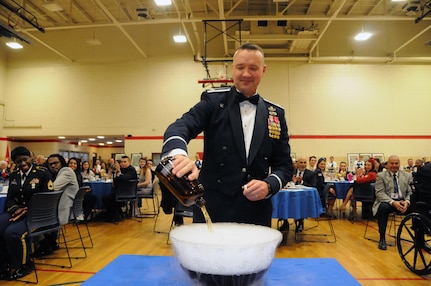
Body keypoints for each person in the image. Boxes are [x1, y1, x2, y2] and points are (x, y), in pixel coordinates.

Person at [160, 43, 293, 227]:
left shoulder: (276, 114)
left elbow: (284, 166)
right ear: (233, 69)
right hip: (213, 210)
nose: (246, 73)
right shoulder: (213, 101)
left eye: (253, 68)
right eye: (240, 67)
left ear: (263, 70)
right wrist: (178, 155)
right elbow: (179, 127)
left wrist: (269, 185)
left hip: (256, 213)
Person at [0, 146, 53, 280]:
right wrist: (15, 209)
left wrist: (28, 209)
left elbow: (48, 197)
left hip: (37, 214)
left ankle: (23, 264)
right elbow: (10, 198)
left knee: (12, 233)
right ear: (15, 163)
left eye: (25, 159)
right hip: (17, 212)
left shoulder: (42, 172)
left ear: (30, 158)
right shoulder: (13, 176)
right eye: (18, 161)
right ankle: (4, 262)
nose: (23, 163)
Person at [35, 154, 80, 258]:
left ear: (62, 163)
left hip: (65, 210)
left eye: (55, 163)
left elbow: (52, 188)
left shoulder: (66, 171)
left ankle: (45, 244)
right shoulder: (57, 174)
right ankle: (50, 243)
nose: (53, 166)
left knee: (34, 216)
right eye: (50, 164)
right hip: (58, 208)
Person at [373, 155, 413, 250]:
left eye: (396, 163)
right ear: (387, 164)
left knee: (418, 207)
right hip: (388, 202)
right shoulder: (381, 176)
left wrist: (407, 201)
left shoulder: (407, 175)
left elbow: (410, 192)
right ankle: (382, 238)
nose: (394, 165)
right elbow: (380, 193)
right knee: (383, 208)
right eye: (392, 163)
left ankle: (420, 239)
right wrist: (393, 202)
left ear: (399, 164)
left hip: (403, 202)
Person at [279, 156, 317, 232]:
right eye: (301, 162)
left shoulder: (311, 174)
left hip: (303, 197)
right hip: (290, 196)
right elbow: (284, 183)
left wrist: (302, 182)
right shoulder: (290, 173)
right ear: (297, 164)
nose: (303, 164)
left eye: (305, 163)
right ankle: (285, 222)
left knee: (300, 204)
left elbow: (313, 186)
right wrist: (293, 181)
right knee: (283, 202)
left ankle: (300, 222)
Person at [102, 156, 138, 222]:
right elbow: (116, 178)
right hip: (120, 191)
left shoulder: (131, 170)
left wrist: (117, 174)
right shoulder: (122, 169)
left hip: (127, 192)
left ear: (129, 162)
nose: (123, 163)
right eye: (121, 162)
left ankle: (115, 216)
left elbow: (124, 178)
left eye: (125, 162)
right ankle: (118, 213)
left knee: (106, 198)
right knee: (108, 196)